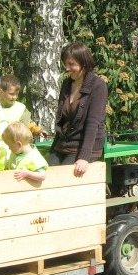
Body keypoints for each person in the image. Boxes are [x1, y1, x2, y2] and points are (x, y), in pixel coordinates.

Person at [48, 42, 108, 176]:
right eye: (65, 64)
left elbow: (93, 123)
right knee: (46, 174)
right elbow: (62, 120)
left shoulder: (98, 86)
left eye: (71, 64)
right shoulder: (67, 83)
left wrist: (84, 157)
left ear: (84, 63)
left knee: (62, 177)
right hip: (63, 145)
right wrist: (53, 149)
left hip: (84, 148)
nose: (67, 68)